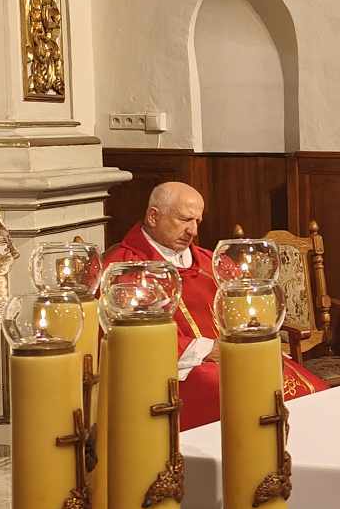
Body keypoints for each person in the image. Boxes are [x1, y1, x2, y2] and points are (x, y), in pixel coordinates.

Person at [102, 182, 327, 431]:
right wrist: (209, 349)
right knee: (245, 399)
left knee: (311, 392)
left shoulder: (212, 262)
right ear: (153, 216)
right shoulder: (125, 269)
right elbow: (135, 339)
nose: (193, 231)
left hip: (233, 356)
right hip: (178, 372)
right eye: (184, 219)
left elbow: (247, 310)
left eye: (197, 221)